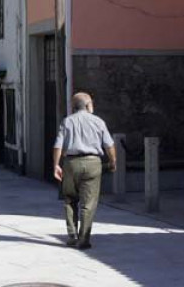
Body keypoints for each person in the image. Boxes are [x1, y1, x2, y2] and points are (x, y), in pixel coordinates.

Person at [52, 92, 116, 250]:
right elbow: (109, 144)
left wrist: (56, 165)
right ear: (88, 105)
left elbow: (58, 146)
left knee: (69, 199)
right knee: (89, 203)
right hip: (93, 163)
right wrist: (113, 161)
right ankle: (84, 238)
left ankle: (72, 235)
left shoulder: (67, 122)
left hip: (71, 163)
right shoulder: (98, 122)